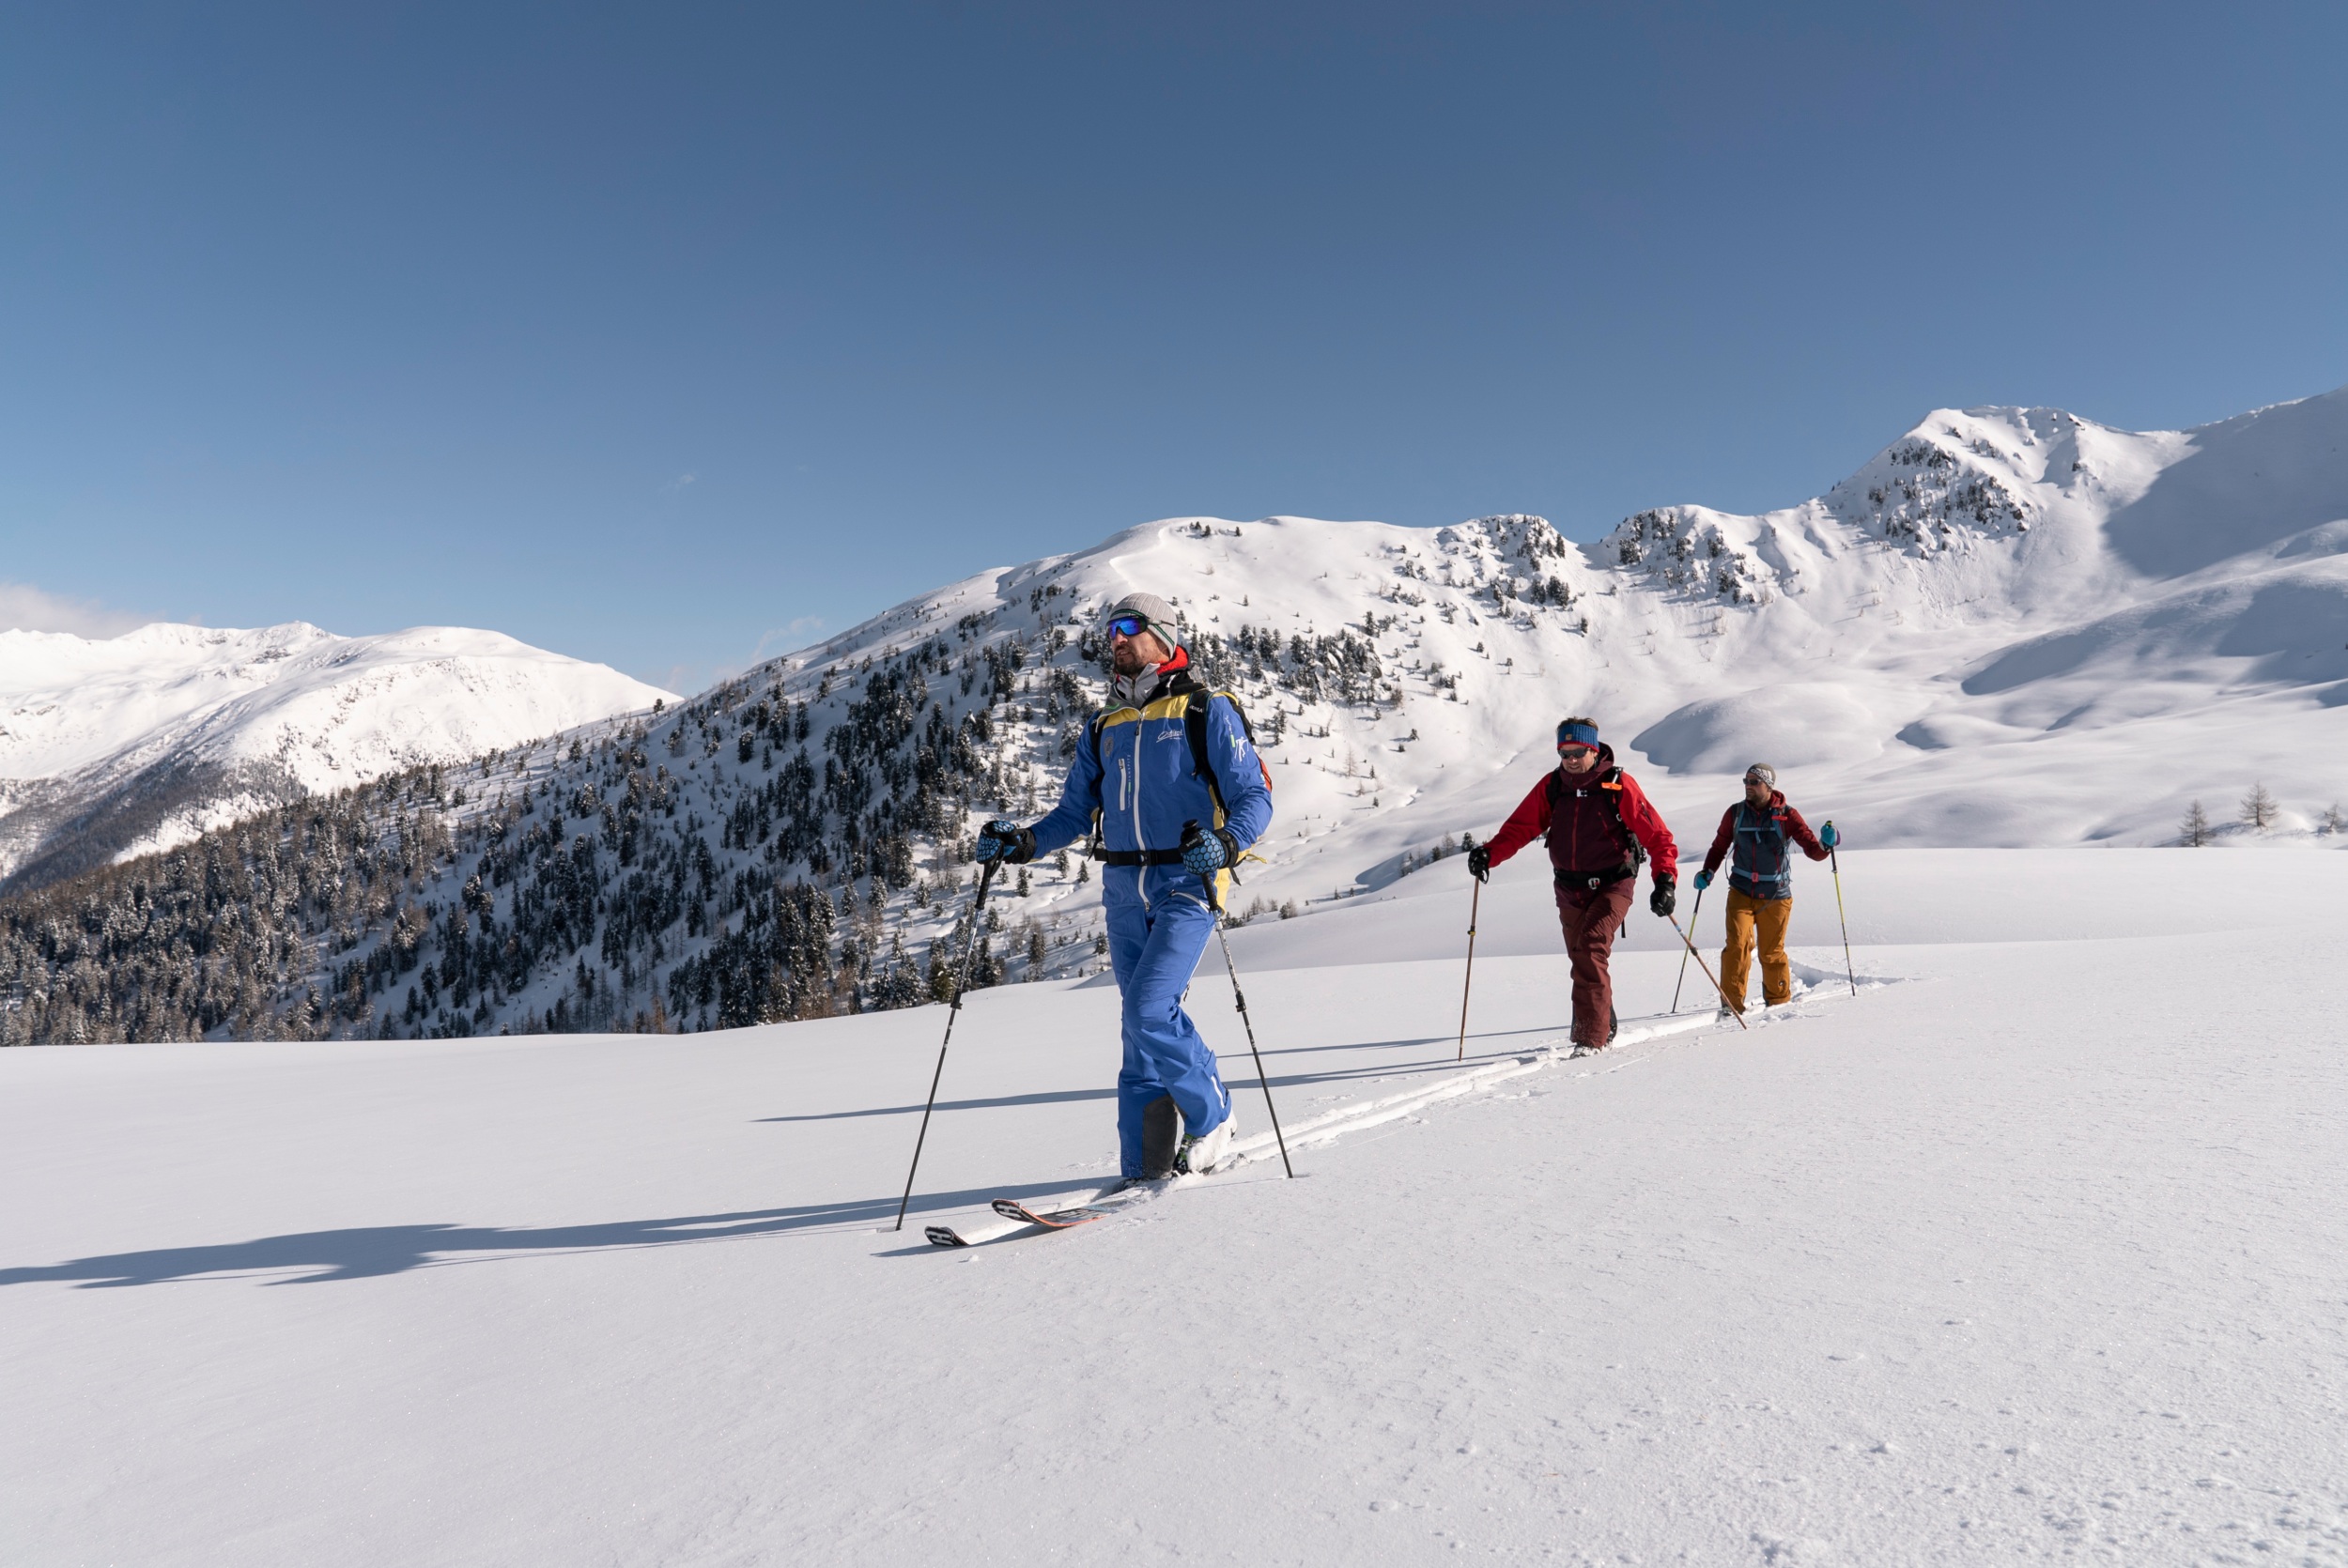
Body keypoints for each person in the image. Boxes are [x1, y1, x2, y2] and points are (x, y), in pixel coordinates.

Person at [973, 592, 1274, 1182]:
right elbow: (1073, 814)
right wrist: (1025, 843)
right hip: (1122, 889)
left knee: (1149, 1009)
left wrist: (1227, 844)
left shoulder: (1204, 709)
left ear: (1162, 635)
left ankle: (1214, 1116)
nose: (1115, 638)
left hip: (1188, 881)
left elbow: (1254, 796)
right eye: (1110, 629)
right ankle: (1143, 1168)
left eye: (1129, 627)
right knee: (1136, 1035)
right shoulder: (1103, 726)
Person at [1466, 717, 1677, 1052]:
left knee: (1590, 948)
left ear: (1593, 750)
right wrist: (1489, 854)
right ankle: (1601, 1017)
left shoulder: (1618, 784)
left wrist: (1665, 879)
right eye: (1564, 753)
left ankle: (1589, 1041)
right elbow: (1521, 827)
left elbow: (1657, 835)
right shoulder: (1553, 786)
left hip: (1614, 883)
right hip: (1568, 888)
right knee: (1582, 958)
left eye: (1578, 752)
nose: (1571, 759)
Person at [1691, 763, 1838, 1018]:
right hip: (1741, 891)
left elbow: (1813, 851)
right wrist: (1707, 872)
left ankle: (1779, 1005)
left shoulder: (1788, 816)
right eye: (1745, 781)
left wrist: (1827, 844)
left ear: (1768, 786)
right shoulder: (1735, 813)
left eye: (1753, 782)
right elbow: (1719, 846)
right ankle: (1731, 1007)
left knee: (1772, 952)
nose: (1747, 786)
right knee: (1737, 945)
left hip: (1776, 895)